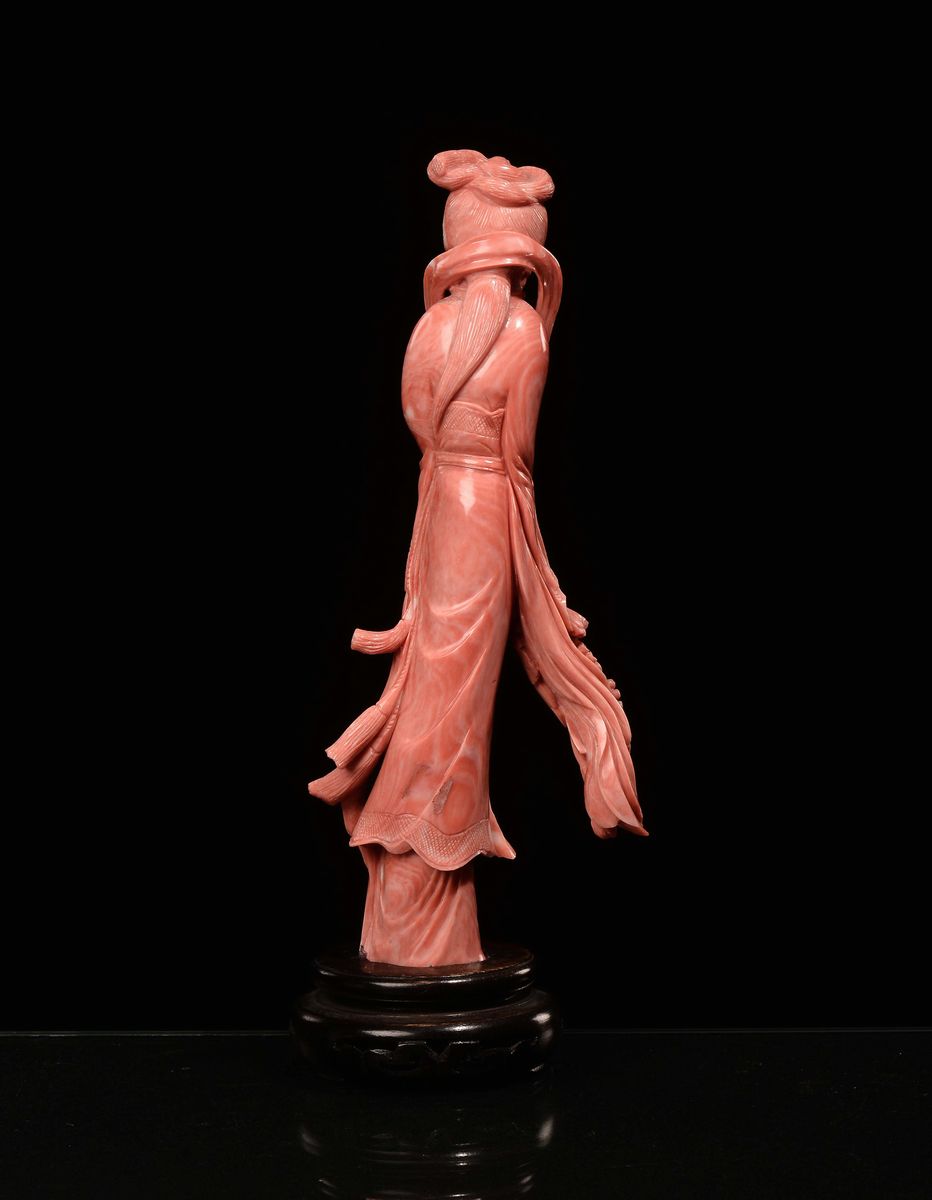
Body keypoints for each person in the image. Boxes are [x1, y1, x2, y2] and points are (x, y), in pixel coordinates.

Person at [309, 150, 645, 967]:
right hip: (487, 510)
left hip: (437, 511)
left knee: (433, 684)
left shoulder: (432, 326)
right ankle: (426, 905)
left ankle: (407, 922)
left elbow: (419, 424)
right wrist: (540, 569)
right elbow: (518, 457)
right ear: (523, 252)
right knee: (456, 708)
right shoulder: (524, 328)